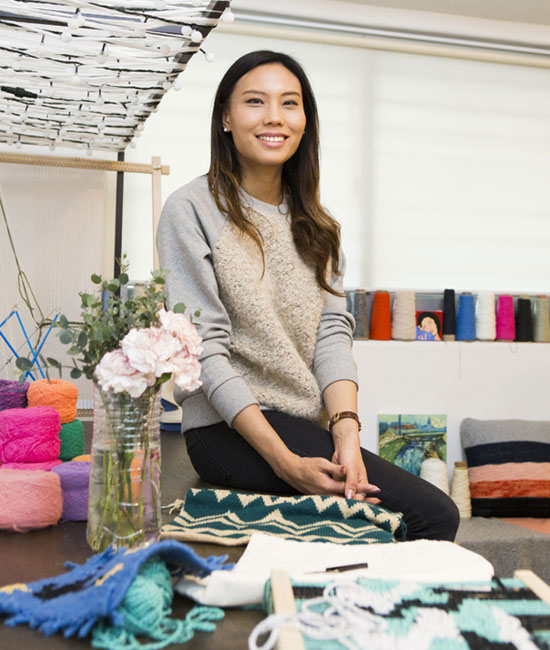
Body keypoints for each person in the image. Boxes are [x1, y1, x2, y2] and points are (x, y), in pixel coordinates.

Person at [157, 50, 459, 541]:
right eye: (255, 101)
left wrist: (347, 433)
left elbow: (332, 336)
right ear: (226, 118)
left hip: (302, 423)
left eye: (289, 103)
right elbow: (204, 347)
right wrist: (285, 463)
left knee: (414, 513)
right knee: (433, 515)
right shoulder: (191, 209)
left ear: (305, 121)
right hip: (224, 430)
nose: (274, 116)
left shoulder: (319, 226)